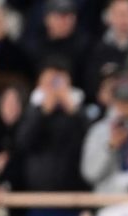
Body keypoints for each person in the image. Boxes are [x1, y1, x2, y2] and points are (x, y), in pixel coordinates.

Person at [16, 57, 89, 191]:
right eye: (50, 82)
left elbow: (90, 142)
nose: (55, 88)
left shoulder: (79, 110)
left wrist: (73, 111)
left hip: (75, 192)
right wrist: (44, 112)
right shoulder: (31, 109)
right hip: (38, 192)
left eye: (59, 82)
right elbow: (23, 142)